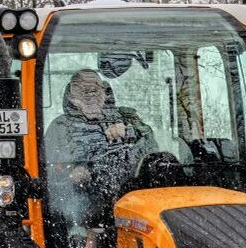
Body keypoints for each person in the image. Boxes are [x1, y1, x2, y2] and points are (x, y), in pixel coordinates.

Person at [43, 68, 163, 234]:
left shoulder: (128, 118)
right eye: (83, 90)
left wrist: (131, 133)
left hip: (132, 201)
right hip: (84, 207)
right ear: (71, 96)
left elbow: (151, 151)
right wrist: (71, 174)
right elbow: (47, 175)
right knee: (77, 232)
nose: (90, 94)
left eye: (95, 88)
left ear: (105, 92)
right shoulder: (60, 128)